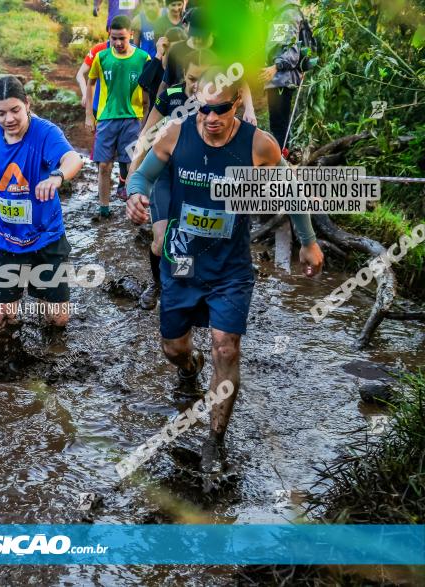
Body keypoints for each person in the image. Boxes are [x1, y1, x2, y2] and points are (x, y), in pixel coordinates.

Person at [125, 67, 324, 475]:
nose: (211, 119)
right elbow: (144, 174)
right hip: (182, 260)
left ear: (237, 104)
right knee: (173, 349)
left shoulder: (259, 145)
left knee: (227, 346)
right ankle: (190, 368)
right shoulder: (177, 134)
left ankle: (215, 439)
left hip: (230, 266)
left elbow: (293, 193)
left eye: (221, 110)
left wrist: (307, 243)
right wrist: (135, 196)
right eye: (205, 109)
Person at [0, 77, 83, 352]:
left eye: (15, 110)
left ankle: (50, 363)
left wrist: (57, 177)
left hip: (46, 239)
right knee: (1, 320)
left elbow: (73, 159)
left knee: (57, 319)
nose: (8, 119)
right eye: (1, 113)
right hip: (6, 241)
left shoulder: (45, 133)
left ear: (27, 105)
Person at [130, 49, 215, 310]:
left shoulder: (215, 102)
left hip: (197, 178)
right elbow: (146, 134)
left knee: (187, 240)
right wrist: (134, 172)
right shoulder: (171, 96)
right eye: (190, 79)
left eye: (201, 79)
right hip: (165, 175)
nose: (195, 86)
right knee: (161, 238)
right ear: (183, 76)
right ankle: (157, 283)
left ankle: (180, 292)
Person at [86, 15, 151, 220]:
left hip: (132, 118)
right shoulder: (102, 57)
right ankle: (104, 209)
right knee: (104, 165)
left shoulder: (143, 58)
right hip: (106, 118)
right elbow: (91, 83)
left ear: (131, 34)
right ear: (109, 36)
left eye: (122, 38)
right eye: (114, 38)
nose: (118, 43)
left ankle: (128, 195)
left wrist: (147, 118)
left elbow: (150, 88)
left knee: (129, 164)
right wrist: (89, 114)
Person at [261, 0, 305, 155]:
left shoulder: (289, 14)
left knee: (280, 126)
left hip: (282, 78)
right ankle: (283, 158)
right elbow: (278, 46)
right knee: (278, 125)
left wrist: (276, 67)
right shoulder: (281, 14)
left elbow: (293, 52)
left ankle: (279, 163)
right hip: (277, 78)